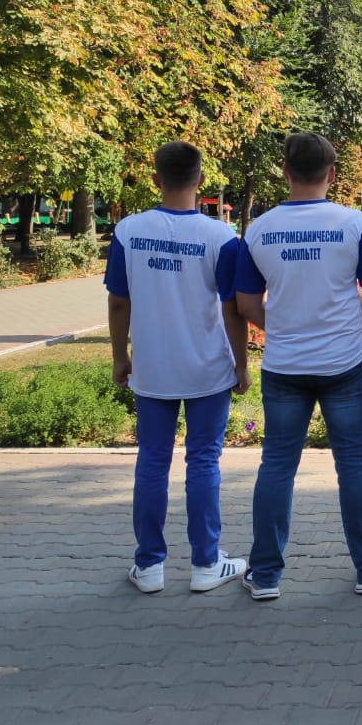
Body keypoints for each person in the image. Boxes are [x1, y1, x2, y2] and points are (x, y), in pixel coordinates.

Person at [235, 132, 362, 600]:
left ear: (285, 171)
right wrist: (354, 326)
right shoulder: (354, 224)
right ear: (333, 174)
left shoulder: (258, 230)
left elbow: (246, 302)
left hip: (286, 364)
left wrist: (281, 328)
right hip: (345, 362)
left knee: (277, 465)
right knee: (354, 463)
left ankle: (265, 575)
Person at [106, 141, 250, 594]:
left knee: (152, 461)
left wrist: (120, 356)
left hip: (152, 369)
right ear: (201, 181)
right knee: (203, 460)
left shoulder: (128, 231)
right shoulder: (220, 237)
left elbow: (118, 301)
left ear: (155, 179)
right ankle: (206, 563)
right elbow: (232, 309)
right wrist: (242, 364)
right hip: (207, 369)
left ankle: (149, 566)